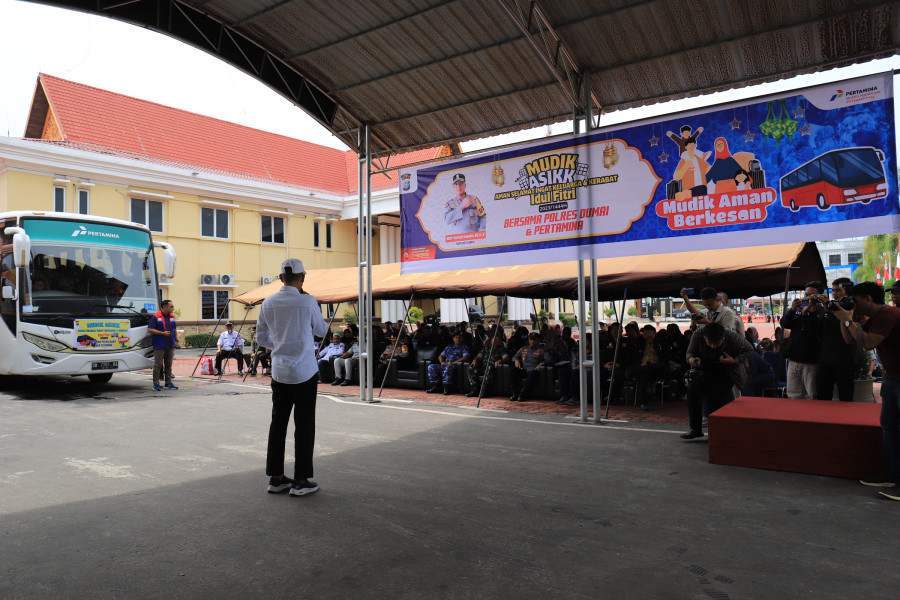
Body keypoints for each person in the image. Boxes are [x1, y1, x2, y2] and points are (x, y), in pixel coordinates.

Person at [256, 258, 328, 497]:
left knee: (278, 424)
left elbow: (261, 339)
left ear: (280, 278)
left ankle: (276, 478)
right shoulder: (308, 302)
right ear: (302, 277)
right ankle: (301, 480)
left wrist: (279, 344)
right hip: (305, 372)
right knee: (304, 425)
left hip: (280, 371)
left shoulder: (268, 302)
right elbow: (321, 331)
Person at [832, 282, 900, 499]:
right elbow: (851, 339)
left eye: (856, 299)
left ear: (868, 299)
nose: (853, 303)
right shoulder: (877, 317)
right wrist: (844, 320)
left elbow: (868, 343)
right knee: (889, 427)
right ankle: (892, 474)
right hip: (892, 377)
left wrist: (849, 319)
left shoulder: (889, 314)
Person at [681, 322, 754, 440]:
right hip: (703, 369)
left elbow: (749, 348)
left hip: (725, 370)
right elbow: (689, 352)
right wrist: (691, 360)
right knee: (692, 393)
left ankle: (716, 431)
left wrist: (735, 360)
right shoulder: (698, 334)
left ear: (723, 338)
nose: (713, 346)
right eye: (709, 343)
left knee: (717, 400)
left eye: (716, 343)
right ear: (704, 337)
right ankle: (695, 429)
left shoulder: (731, 335)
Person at [781, 281, 825, 399]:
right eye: (806, 294)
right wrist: (792, 310)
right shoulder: (798, 309)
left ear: (819, 297)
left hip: (812, 362)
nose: (807, 298)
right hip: (794, 359)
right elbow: (785, 323)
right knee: (793, 395)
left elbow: (816, 330)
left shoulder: (822, 312)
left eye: (811, 295)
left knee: (812, 395)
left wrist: (811, 312)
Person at [816, 277, 856, 401]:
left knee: (845, 396)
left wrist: (830, 308)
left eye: (838, 290)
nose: (835, 293)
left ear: (848, 291)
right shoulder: (830, 307)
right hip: (826, 357)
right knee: (822, 395)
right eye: (833, 290)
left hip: (844, 357)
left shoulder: (851, 306)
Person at [625, 324, 670, 411]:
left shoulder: (661, 342)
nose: (646, 335)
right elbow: (634, 358)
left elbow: (665, 358)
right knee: (643, 375)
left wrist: (653, 363)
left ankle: (633, 371)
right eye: (644, 333)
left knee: (651, 368)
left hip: (657, 368)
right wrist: (641, 363)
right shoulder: (639, 342)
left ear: (654, 333)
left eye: (648, 333)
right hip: (644, 368)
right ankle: (642, 403)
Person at [147, 299, 178, 391]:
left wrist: (176, 340)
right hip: (159, 344)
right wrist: (162, 333)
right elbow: (150, 329)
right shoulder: (155, 317)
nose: (172, 308)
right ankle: (156, 384)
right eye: (171, 306)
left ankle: (168, 383)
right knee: (158, 365)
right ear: (165, 307)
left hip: (170, 344)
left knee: (168, 364)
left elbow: (175, 329)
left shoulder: (172, 317)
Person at [510, 332, 545, 402]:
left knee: (532, 374)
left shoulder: (542, 350)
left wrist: (542, 363)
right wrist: (516, 360)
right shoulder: (524, 348)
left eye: (534, 340)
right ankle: (514, 393)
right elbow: (514, 356)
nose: (532, 341)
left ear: (538, 340)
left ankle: (522, 395)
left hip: (533, 370)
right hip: (524, 369)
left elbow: (549, 359)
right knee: (513, 370)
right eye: (531, 339)